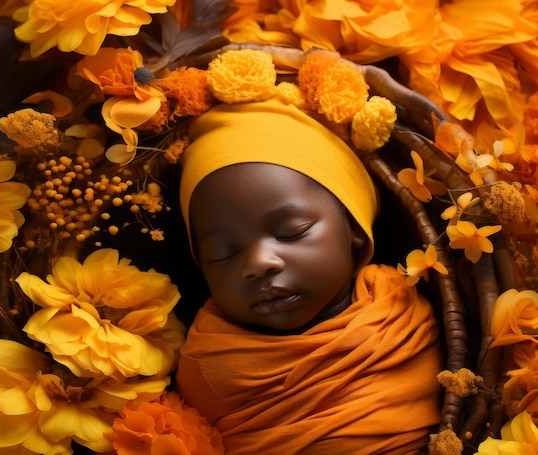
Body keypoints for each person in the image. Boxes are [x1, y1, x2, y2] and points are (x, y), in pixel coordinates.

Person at [174, 98, 442, 454]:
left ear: (355, 228)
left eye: (292, 231)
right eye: (223, 252)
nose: (259, 263)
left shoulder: (399, 308)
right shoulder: (208, 363)